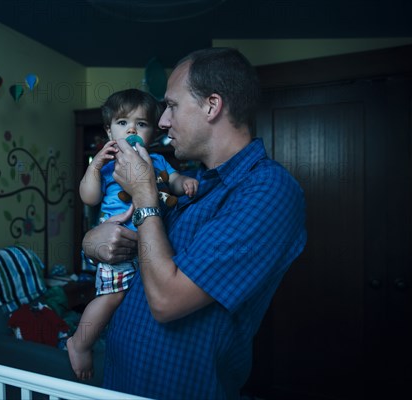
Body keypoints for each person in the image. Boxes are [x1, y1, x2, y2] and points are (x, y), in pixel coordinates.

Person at [81, 48, 307, 399]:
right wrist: (92, 242)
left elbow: (167, 300)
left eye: (171, 106)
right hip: (122, 382)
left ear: (211, 106)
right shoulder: (191, 183)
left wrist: (142, 192)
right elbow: (143, 247)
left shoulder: (267, 190)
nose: (164, 122)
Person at [67, 89, 199, 381]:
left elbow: (173, 181)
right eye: (123, 123)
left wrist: (184, 181)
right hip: (117, 245)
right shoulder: (109, 164)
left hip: (146, 248)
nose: (132, 130)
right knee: (111, 298)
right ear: (108, 130)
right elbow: (89, 197)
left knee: (134, 300)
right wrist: (96, 166)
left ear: (151, 131)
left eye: (141, 124)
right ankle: (79, 342)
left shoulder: (157, 161)